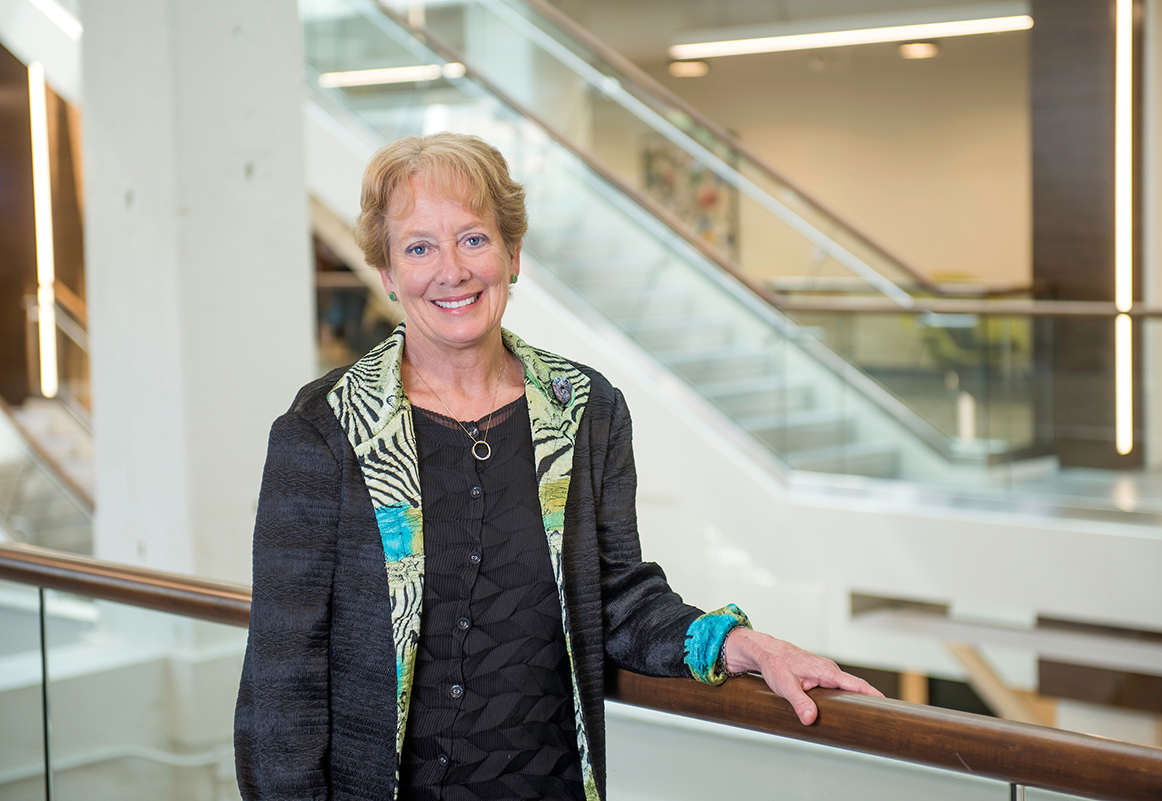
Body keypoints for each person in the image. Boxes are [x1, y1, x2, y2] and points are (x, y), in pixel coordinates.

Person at [234, 132, 882, 801]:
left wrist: (739, 644)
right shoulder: (325, 430)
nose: (451, 270)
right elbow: (284, 682)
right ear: (388, 274)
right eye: (419, 246)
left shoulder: (585, 409)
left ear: (513, 254)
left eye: (474, 239)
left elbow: (617, 597)